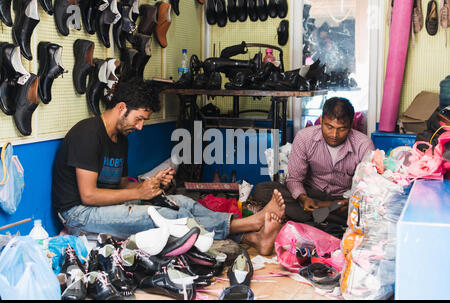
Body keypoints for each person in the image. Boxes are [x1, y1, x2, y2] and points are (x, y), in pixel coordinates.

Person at [52, 77, 285, 256]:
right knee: (163, 216)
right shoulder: (88, 134)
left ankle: (254, 239)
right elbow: (89, 195)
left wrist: (149, 185)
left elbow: (119, 183)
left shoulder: (120, 138)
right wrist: (139, 193)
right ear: (122, 107)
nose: (141, 127)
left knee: (182, 203)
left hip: (102, 205)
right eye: (139, 119)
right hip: (78, 215)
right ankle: (251, 224)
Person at [253, 97, 375, 237]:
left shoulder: (364, 144)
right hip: (311, 196)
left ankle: (313, 222)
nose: (334, 135)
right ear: (321, 120)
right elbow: (294, 179)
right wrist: (303, 198)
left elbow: (368, 187)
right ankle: (329, 223)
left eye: (341, 129)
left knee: (366, 211)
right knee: (262, 190)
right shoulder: (305, 137)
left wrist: (350, 202)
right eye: (329, 127)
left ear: (351, 125)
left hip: (343, 201)